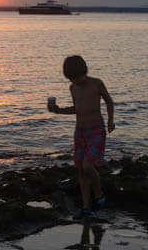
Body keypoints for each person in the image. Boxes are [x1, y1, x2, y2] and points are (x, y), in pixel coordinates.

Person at [48, 55, 115, 218]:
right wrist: (58, 110)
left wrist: (110, 120)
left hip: (96, 131)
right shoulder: (73, 87)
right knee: (81, 171)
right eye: (71, 78)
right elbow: (77, 109)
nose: (75, 81)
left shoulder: (97, 83)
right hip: (80, 133)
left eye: (77, 77)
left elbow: (109, 101)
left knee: (87, 165)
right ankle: (86, 207)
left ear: (84, 71)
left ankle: (99, 195)